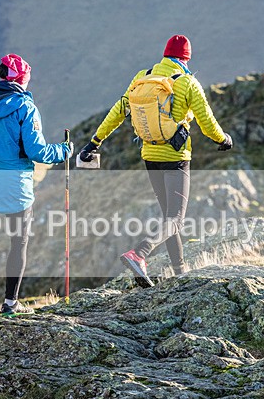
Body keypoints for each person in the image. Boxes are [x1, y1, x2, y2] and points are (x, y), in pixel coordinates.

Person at [78, 35, 233, 287]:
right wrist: (223, 139)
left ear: (165, 54)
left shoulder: (143, 76)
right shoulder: (188, 82)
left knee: (169, 217)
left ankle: (179, 271)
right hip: (175, 158)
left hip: (150, 156)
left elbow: (119, 111)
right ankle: (139, 254)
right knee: (176, 218)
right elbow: (207, 122)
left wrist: (95, 141)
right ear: (186, 58)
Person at [0, 53, 72, 322]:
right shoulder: (25, 107)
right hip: (15, 189)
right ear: (21, 80)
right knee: (19, 243)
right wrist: (64, 151)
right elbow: (37, 151)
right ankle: (9, 304)